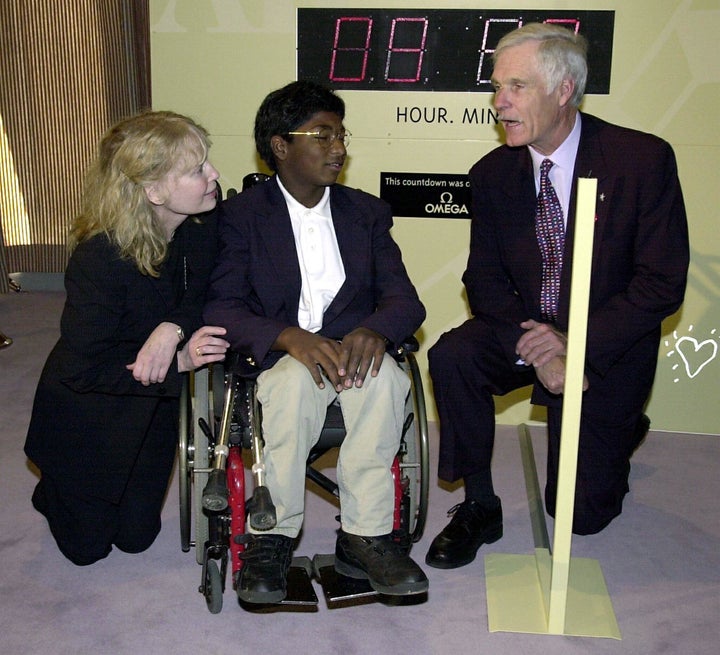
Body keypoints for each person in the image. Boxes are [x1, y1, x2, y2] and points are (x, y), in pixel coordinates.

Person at [425, 23, 689, 570]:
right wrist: (543, 345)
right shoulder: (493, 174)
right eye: (497, 88)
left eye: (515, 87)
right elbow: (484, 280)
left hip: (607, 342)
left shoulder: (641, 160)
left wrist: (578, 345)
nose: (499, 103)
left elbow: (661, 282)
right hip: (527, 328)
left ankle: (619, 434)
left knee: (580, 516)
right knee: (453, 354)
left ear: (564, 90)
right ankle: (479, 505)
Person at [204, 80, 428, 602]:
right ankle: (271, 539)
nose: (339, 148)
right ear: (281, 146)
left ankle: (366, 537)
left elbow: (405, 301)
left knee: (385, 383)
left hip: (354, 352)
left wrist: (374, 330)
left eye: (341, 135)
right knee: (290, 390)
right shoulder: (242, 217)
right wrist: (286, 336)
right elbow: (222, 307)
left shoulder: (366, 213)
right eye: (322, 136)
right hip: (283, 358)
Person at [24, 111, 230, 566]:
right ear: (153, 191)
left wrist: (171, 328)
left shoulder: (202, 223)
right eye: (197, 170)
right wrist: (179, 361)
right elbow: (83, 368)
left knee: (136, 538)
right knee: (87, 551)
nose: (213, 175)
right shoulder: (99, 260)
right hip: (88, 411)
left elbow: (205, 288)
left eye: (207, 163)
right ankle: (54, 488)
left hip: (150, 407)